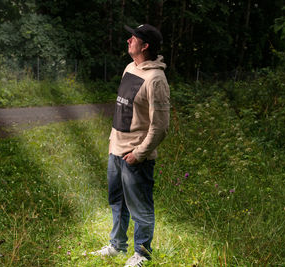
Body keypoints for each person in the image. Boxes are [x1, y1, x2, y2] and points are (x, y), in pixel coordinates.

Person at [93, 24, 170, 267]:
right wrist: (111, 142)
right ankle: (117, 246)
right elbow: (123, 110)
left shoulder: (156, 79)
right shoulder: (130, 68)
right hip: (115, 151)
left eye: (133, 38)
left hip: (135, 156)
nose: (128, 40)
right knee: (117, 202)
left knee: (141, 208)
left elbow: (160, 127)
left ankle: (142, 255)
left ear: (145, 46)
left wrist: (139, 153)